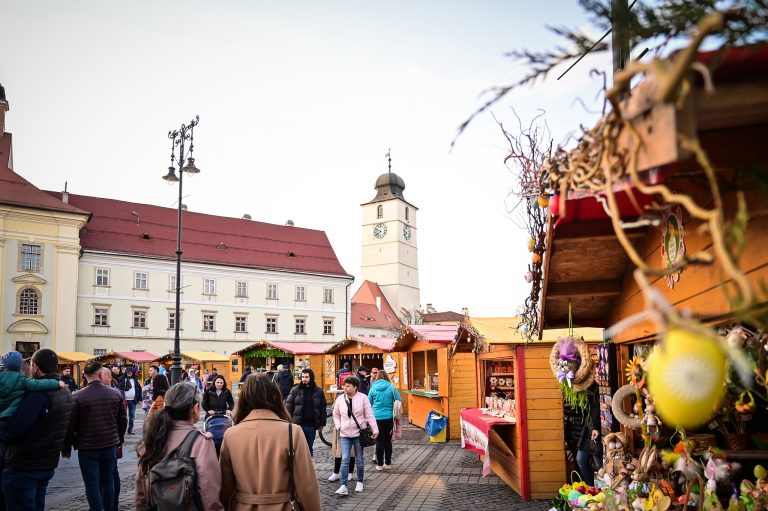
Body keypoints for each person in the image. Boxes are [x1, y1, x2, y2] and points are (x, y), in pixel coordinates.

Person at [219, 374, 321, 510]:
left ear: (243, 399)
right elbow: (307, 485)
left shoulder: (231, 435)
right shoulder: (292, 431)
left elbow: (225, 486)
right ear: (274, 396)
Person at [0, 349, 74, 511]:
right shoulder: (66, 390)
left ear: (35, 367)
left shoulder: (37, 395)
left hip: (24, 465)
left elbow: (14, 430)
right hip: (47, 463)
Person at [135, 383, 223, 511]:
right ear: (196, 407)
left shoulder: (153, 437)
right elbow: (209, 492)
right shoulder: (201, 441)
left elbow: (141, 492)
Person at [63, 361, 127, 511]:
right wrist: (119, 439)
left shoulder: (77, 396)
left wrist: (66, 446)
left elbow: (71, 425)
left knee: (92, 485)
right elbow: (123, 420)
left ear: (85, 376)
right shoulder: (115, 394)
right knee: (108, 481)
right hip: (109, 445)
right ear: (100, 375)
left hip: (87, 448)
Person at [332, 375, 378, 496]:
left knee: (359, 459)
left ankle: (360, 481)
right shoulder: (340, 398)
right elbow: (335, 414)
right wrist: (339, 426)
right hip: (344, 433)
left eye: (348, 386)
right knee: (345, 458)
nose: (345, 388)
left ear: (355, 387)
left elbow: (369, 415)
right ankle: (343, 485)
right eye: (344, 385)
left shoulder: (363, 398)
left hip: (359, 433)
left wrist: (375, 430)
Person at [564, 380, 601, 486]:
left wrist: (595, 426)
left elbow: (596, 408)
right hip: (588, 427)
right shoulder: (584, 387)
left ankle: (601, 489)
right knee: (581, 459)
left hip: (595, 427)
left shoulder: (596, 387)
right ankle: (591, 487)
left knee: (598, 461)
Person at [285, 368, 327, 456]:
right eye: (303, 377)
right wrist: (288, 423)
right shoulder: (295, 390)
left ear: (311, 377)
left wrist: (322, 423)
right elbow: (288, 408)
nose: (304, 379)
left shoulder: (318, 391)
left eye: (306, 377)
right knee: (297, 449)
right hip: (298, 425)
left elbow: (322, 408)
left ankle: (308, 468)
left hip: (311, 425)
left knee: (309, 448)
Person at [368, 370, 402, 470]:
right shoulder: (392, 387)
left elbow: (368, 403)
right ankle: (387, 463)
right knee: (388, 440)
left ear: (377, 377)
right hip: (389, 418)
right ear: (387, 377)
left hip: (376, 418)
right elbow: (399, 400)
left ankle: (379, 465)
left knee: (379, 440)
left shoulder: (373, 388)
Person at [118, 367, 142, 435]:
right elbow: (118, 389)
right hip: (123, 400)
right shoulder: (121, 379)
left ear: (133, 373)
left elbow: (139, 389)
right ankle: (122, 430)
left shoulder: (136, 380)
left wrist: (140, 399)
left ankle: (130, 429)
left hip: (133, 400)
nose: (129, 373)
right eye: (128, 372)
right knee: (123, 416)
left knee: (132, 416)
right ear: (125, 372)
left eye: (130, 372)